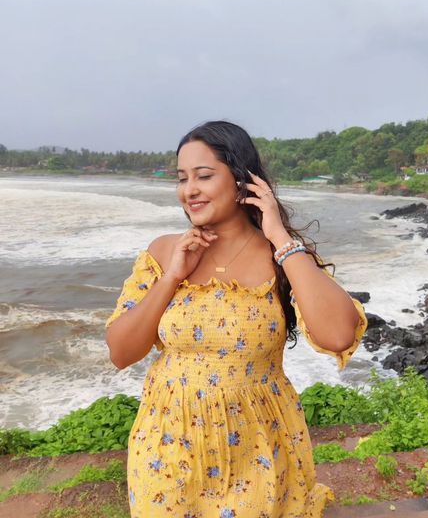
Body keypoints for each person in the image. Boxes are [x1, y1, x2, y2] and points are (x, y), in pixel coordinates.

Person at [105, 121, 368, 517]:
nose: (189, 190)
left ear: (243, 180)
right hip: (168, 448)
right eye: (182, 178)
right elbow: (121, 352)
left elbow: (336, 334)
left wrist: (280, 237)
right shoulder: (163, 252)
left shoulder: (284, 255)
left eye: (204, 176)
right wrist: (172, 277)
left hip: (259, 445)